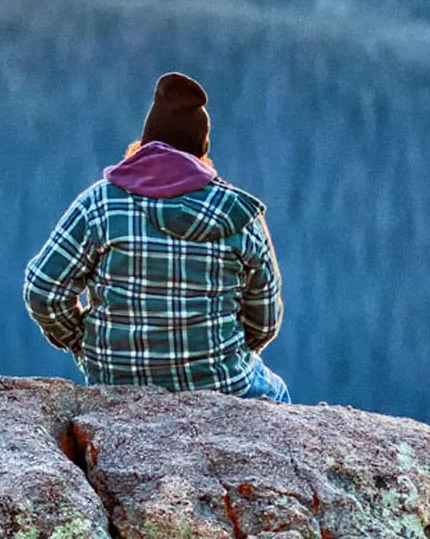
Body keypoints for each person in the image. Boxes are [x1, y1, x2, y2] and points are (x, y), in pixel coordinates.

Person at [23, 72, 288, 401]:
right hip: (220, 386)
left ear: (143, 146)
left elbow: (43, 290)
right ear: (201, 155)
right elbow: (264, 322)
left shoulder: (100, 204)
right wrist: (213, 353)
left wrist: (82, 341)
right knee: (278, 396)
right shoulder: (240, 216)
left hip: (114, 382)